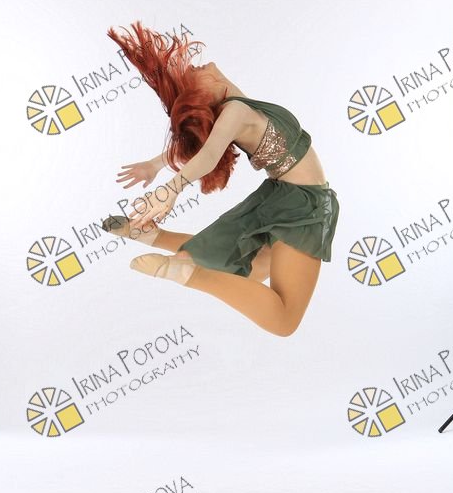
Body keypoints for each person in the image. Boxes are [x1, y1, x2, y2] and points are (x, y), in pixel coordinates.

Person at [103, 22, 339, 337]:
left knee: (247, 267)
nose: (193, 68)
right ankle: (189, 273)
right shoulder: (236, 111)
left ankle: (150, 235)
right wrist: (172, 187)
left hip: (280, 197)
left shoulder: (237, 106)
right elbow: (210, 153)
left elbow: (204, 145)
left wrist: (156, 163)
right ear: (203, 96)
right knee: (284, 320)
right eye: (190, 79)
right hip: (302, 206)